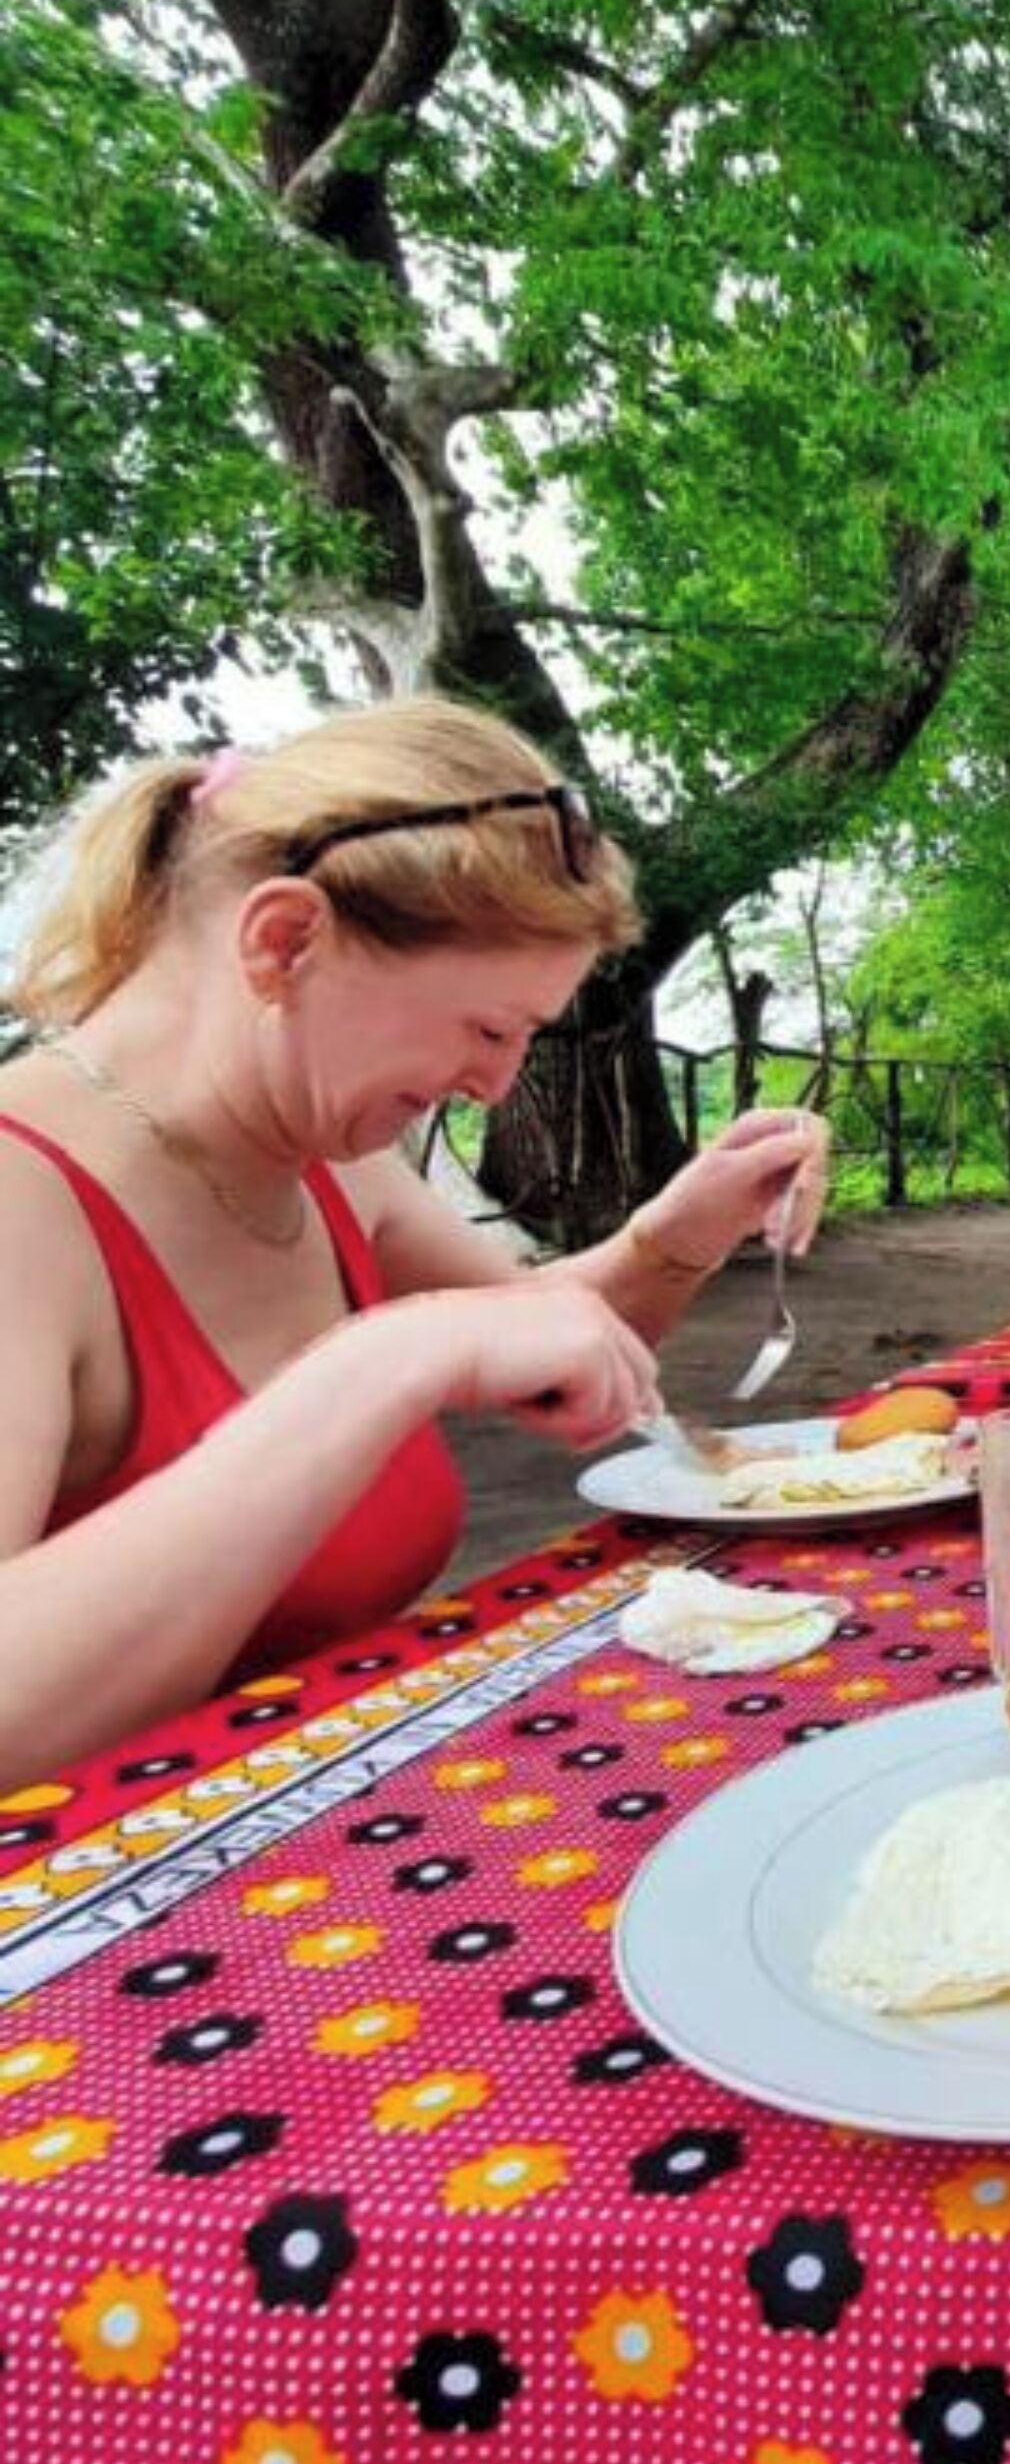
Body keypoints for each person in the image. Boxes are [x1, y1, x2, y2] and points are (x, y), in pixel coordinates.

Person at [0, 701, 831, 1783]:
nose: (495, 1085)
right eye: (489, 1030)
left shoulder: (331, 1161)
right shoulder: (25, 1198)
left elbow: (548, 1350)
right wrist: (385, 1358)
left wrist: (680, 1230)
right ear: (285, 940)